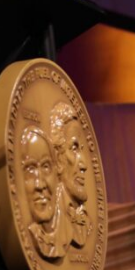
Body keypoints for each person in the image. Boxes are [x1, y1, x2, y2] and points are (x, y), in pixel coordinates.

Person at [20, 125, 70, 259]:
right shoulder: (26, 234)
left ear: (56, 172)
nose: (40, 184)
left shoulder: (68, 232)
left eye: (46, 166)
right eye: (30, 170)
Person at [49, 102, 91, 248]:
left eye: (82, 149)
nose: (84, 165)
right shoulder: (49, 221)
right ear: (58, 158)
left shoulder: (86, 220)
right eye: (74, 148)